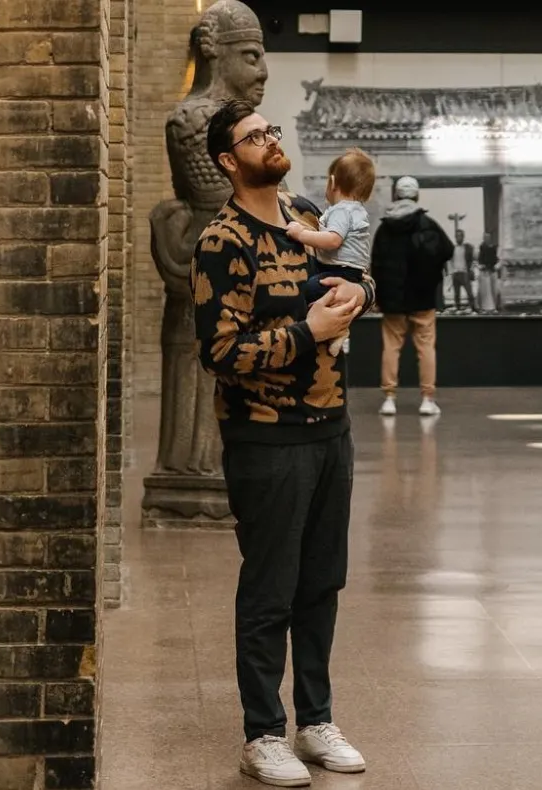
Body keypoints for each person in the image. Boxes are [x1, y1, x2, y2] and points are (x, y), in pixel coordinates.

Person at [193, 98, 373, 787]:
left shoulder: (305, 214)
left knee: (321, 582)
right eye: (253, 136)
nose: (270, 140)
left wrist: (355, 299)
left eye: (270, 130)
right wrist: (311, 332)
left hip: (332, 430)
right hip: (266, 440)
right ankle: (262, 732)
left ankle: (316, 721)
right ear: (227, 160)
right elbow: (219, 351)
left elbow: (354, 274)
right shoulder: (223, 240)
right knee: (271, 587)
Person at [369, 175, 454, 416]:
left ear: (396, 195)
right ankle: (427, 399)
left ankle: (389, 398)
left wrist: (379, 297)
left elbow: (377, 264)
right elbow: (447, 250)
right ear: (417, 195)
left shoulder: (385, 227)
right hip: (423, 296)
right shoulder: (427, 224)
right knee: (426, 348)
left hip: (393, 299)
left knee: (391, 347)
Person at [286, 148, 376, 356]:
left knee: (311, 289)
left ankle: (333, 331)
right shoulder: (356, 209)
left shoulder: (341, 211)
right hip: (350, 272)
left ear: (332, 183)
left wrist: (301, 234)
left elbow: (332, 240)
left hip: (339, 270)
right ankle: (340, 332)